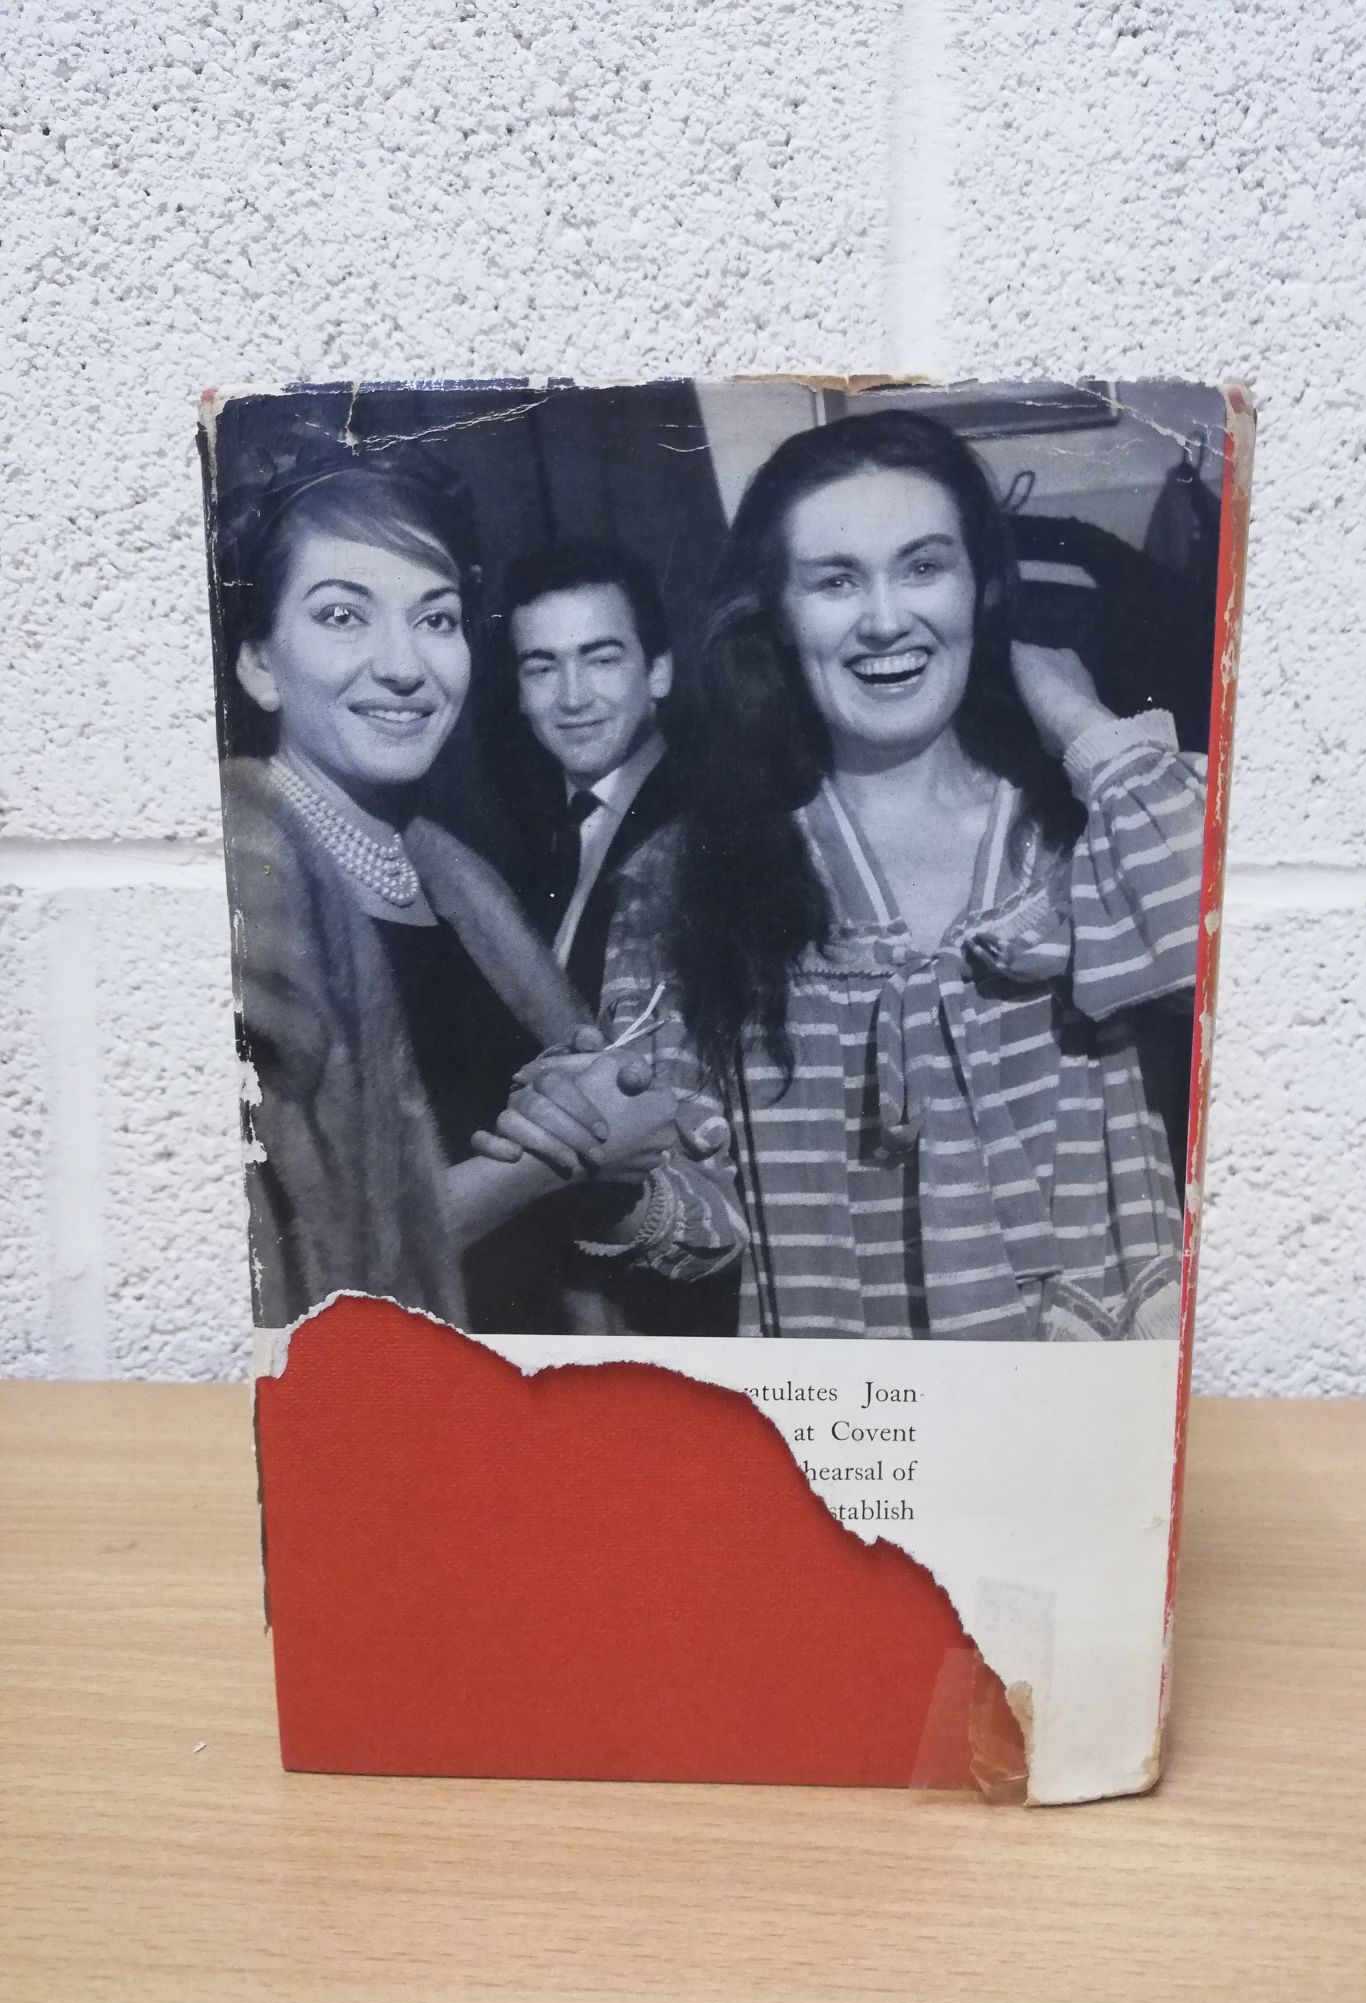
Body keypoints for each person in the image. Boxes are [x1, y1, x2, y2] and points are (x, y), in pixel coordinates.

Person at [483, 409, 1207, 1342]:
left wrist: (1076, 717)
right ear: (779, 616)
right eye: (835, 581)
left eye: (923, 567)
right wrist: (610, 1176)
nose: (885, 619)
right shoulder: (684, 877)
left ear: (982, 587)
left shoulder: (1097, 823)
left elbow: (1231, 970)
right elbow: (701, 1225)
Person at [215, 432, 740, 1331]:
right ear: (260, 663)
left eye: (436, 618)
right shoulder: (235, 906)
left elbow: (693, 1222)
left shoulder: (462, 887)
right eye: (343, 615)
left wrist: (611, 1167)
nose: (404, 666)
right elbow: (277, 1283)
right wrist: (548, 1160)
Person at [505, 541, 682, 1010]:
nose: (573, 698)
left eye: (601, 660)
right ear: (519, 693)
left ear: (658, 673)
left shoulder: (709, 824)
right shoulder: (528, 848)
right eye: (542, 668)